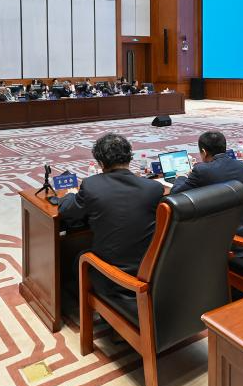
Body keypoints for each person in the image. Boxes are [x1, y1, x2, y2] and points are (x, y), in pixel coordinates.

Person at [58, 133, 164, 314]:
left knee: (80, 257)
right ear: (130, 157)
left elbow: (67, 211)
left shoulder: (92, 185)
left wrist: (70, 195)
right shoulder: (153, 188)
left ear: (100, 163)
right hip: (151, 270)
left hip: (113, 278)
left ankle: (91, 308)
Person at [170, 131, 243, 239]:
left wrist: (181, 177)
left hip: (232, 237)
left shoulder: (202, 170)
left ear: (204, 152)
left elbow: (175, 194)